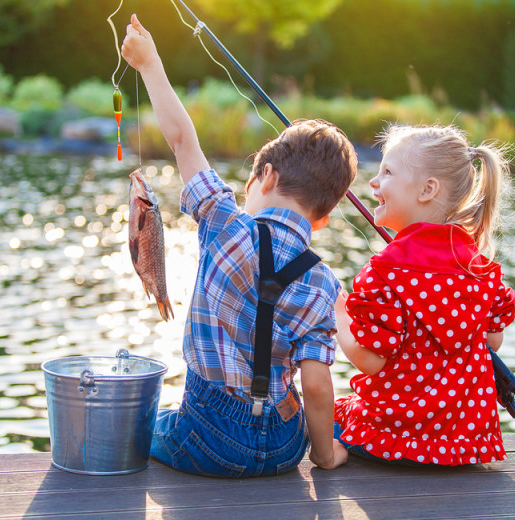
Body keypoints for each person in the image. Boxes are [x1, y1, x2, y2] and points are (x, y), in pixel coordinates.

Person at [121, 14, 355, 477]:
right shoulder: (324, 282)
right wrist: (324, 455)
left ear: (265, 175)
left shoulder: (226, 223)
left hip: (210, 437)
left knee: (143, 426)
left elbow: (182, 139)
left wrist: (150, 66)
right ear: (324, 220)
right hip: (287, 445)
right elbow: (316, 383)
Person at [333, 124, 515, 466]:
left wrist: (339, 311)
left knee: (318, 416)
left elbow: (370, 360)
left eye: (387, 172)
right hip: (464, 447)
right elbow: (492, 341)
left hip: (391, 438)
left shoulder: (384, 273)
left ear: (427, 189)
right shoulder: (480, 269)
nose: (374, 182)